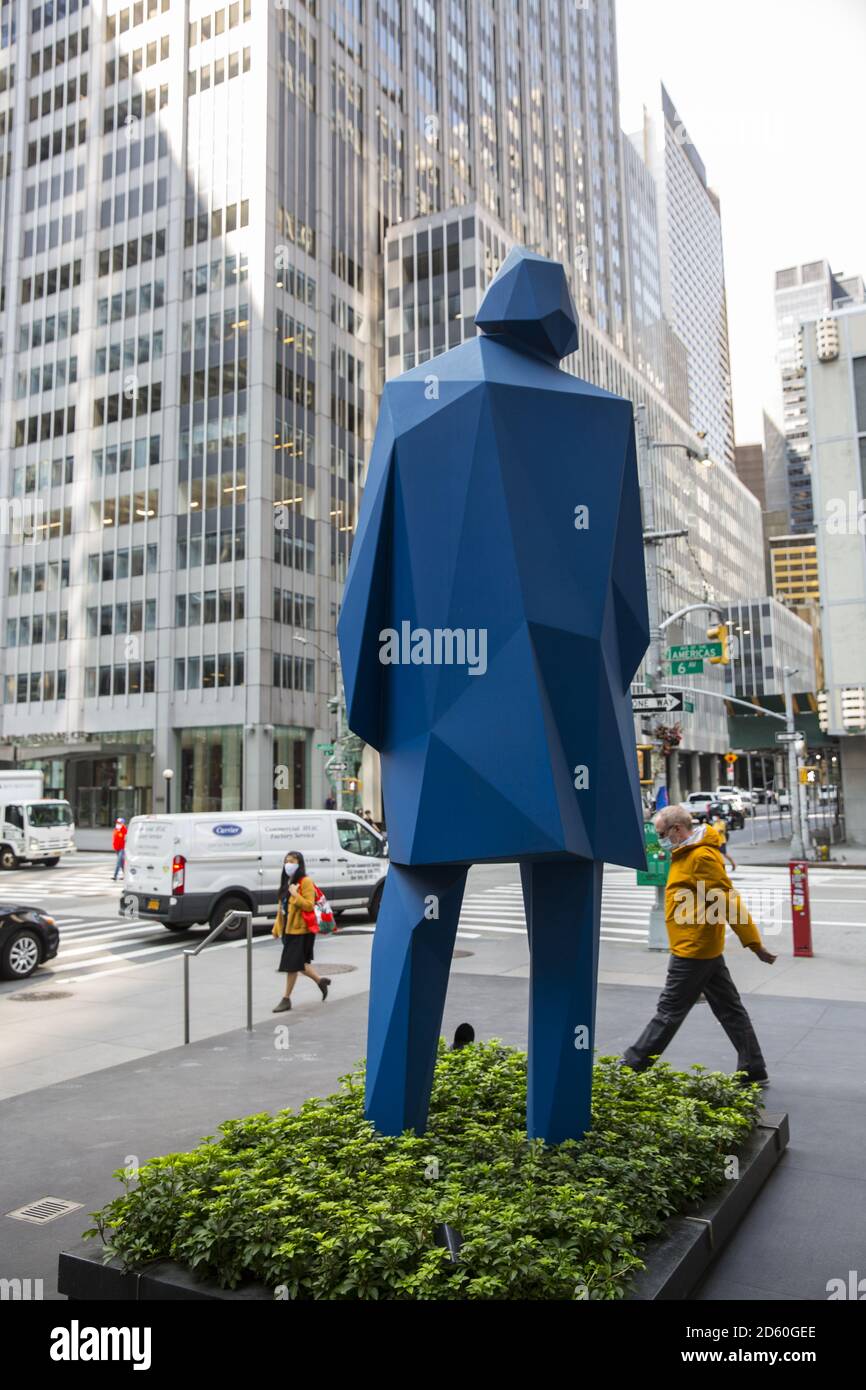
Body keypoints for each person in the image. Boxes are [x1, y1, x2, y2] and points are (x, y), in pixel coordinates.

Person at [622, 805, 775, 1086]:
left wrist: (754, 943)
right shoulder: (685, 854)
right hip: (702, 947)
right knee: (729, 1008)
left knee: (669, 1010)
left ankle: (632, 1065)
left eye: (661, 834)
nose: (659, 840)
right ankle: (753, 1066)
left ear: (677, 829)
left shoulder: (700, 857)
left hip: (693, 950)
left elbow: (727, 900)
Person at [272, 851, 331, 1013]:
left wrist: (295, 894)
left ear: (299, 864)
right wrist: (277, 928)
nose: (288, 864)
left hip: (302, 931)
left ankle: (286, 999)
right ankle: (320, 981)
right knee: (299, 964)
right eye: (286, 861)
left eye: (291, 861)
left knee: (291, 965)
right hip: (289, 931)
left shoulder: (305, 882)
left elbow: (308, 905)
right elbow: (282, 910)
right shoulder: (287, 882)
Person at [709, 802, 737, 871]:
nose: (715, 818)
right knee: (714, 854)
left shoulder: (722, 823)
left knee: (724, 854)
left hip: (721, 841)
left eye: (716, 816)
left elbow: (721, 830)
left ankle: (733, 864)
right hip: (715, 841)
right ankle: (718, 867)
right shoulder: (715, 823)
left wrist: (716, 832)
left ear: (718, 817)